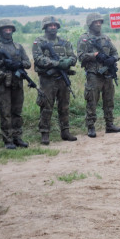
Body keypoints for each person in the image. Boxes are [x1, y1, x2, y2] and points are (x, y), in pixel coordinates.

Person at [0, 19, 32, 149]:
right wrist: (2, 63)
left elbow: (28, 63)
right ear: (0, 31)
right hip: (3, 84)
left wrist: (19, 64)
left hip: (17, 83)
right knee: (5, 113)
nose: (8, 31)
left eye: (10, 29)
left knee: (17, 112)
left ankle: (17, 137)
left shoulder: (18, 46)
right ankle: (8, 140)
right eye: (5, 29)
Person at [76, 13, 120, 138]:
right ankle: (91, 127)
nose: (98, 24)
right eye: (95, 22)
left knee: (109, 101)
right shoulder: (84, 39)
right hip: (94, 75)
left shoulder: (106, 38)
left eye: (99, 22)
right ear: (90, 24)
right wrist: (95, 55)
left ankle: (110, 125)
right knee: (92, 101)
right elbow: (81, 56)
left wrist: (112, 59)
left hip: (107, 74)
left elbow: (116, 53)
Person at [32, 16, 78, 145]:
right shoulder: (39, 42)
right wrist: (57, 64)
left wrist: (67, 62)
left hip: (63, 78)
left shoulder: (64, 42)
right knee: (46, 106)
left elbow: (73, 57)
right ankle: (45, 133)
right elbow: (38, 58)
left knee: (64, 106)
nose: (53, 27)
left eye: (55, 25)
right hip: (47, 79)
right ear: (45, 27)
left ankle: (65, 131)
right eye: (50, 25)